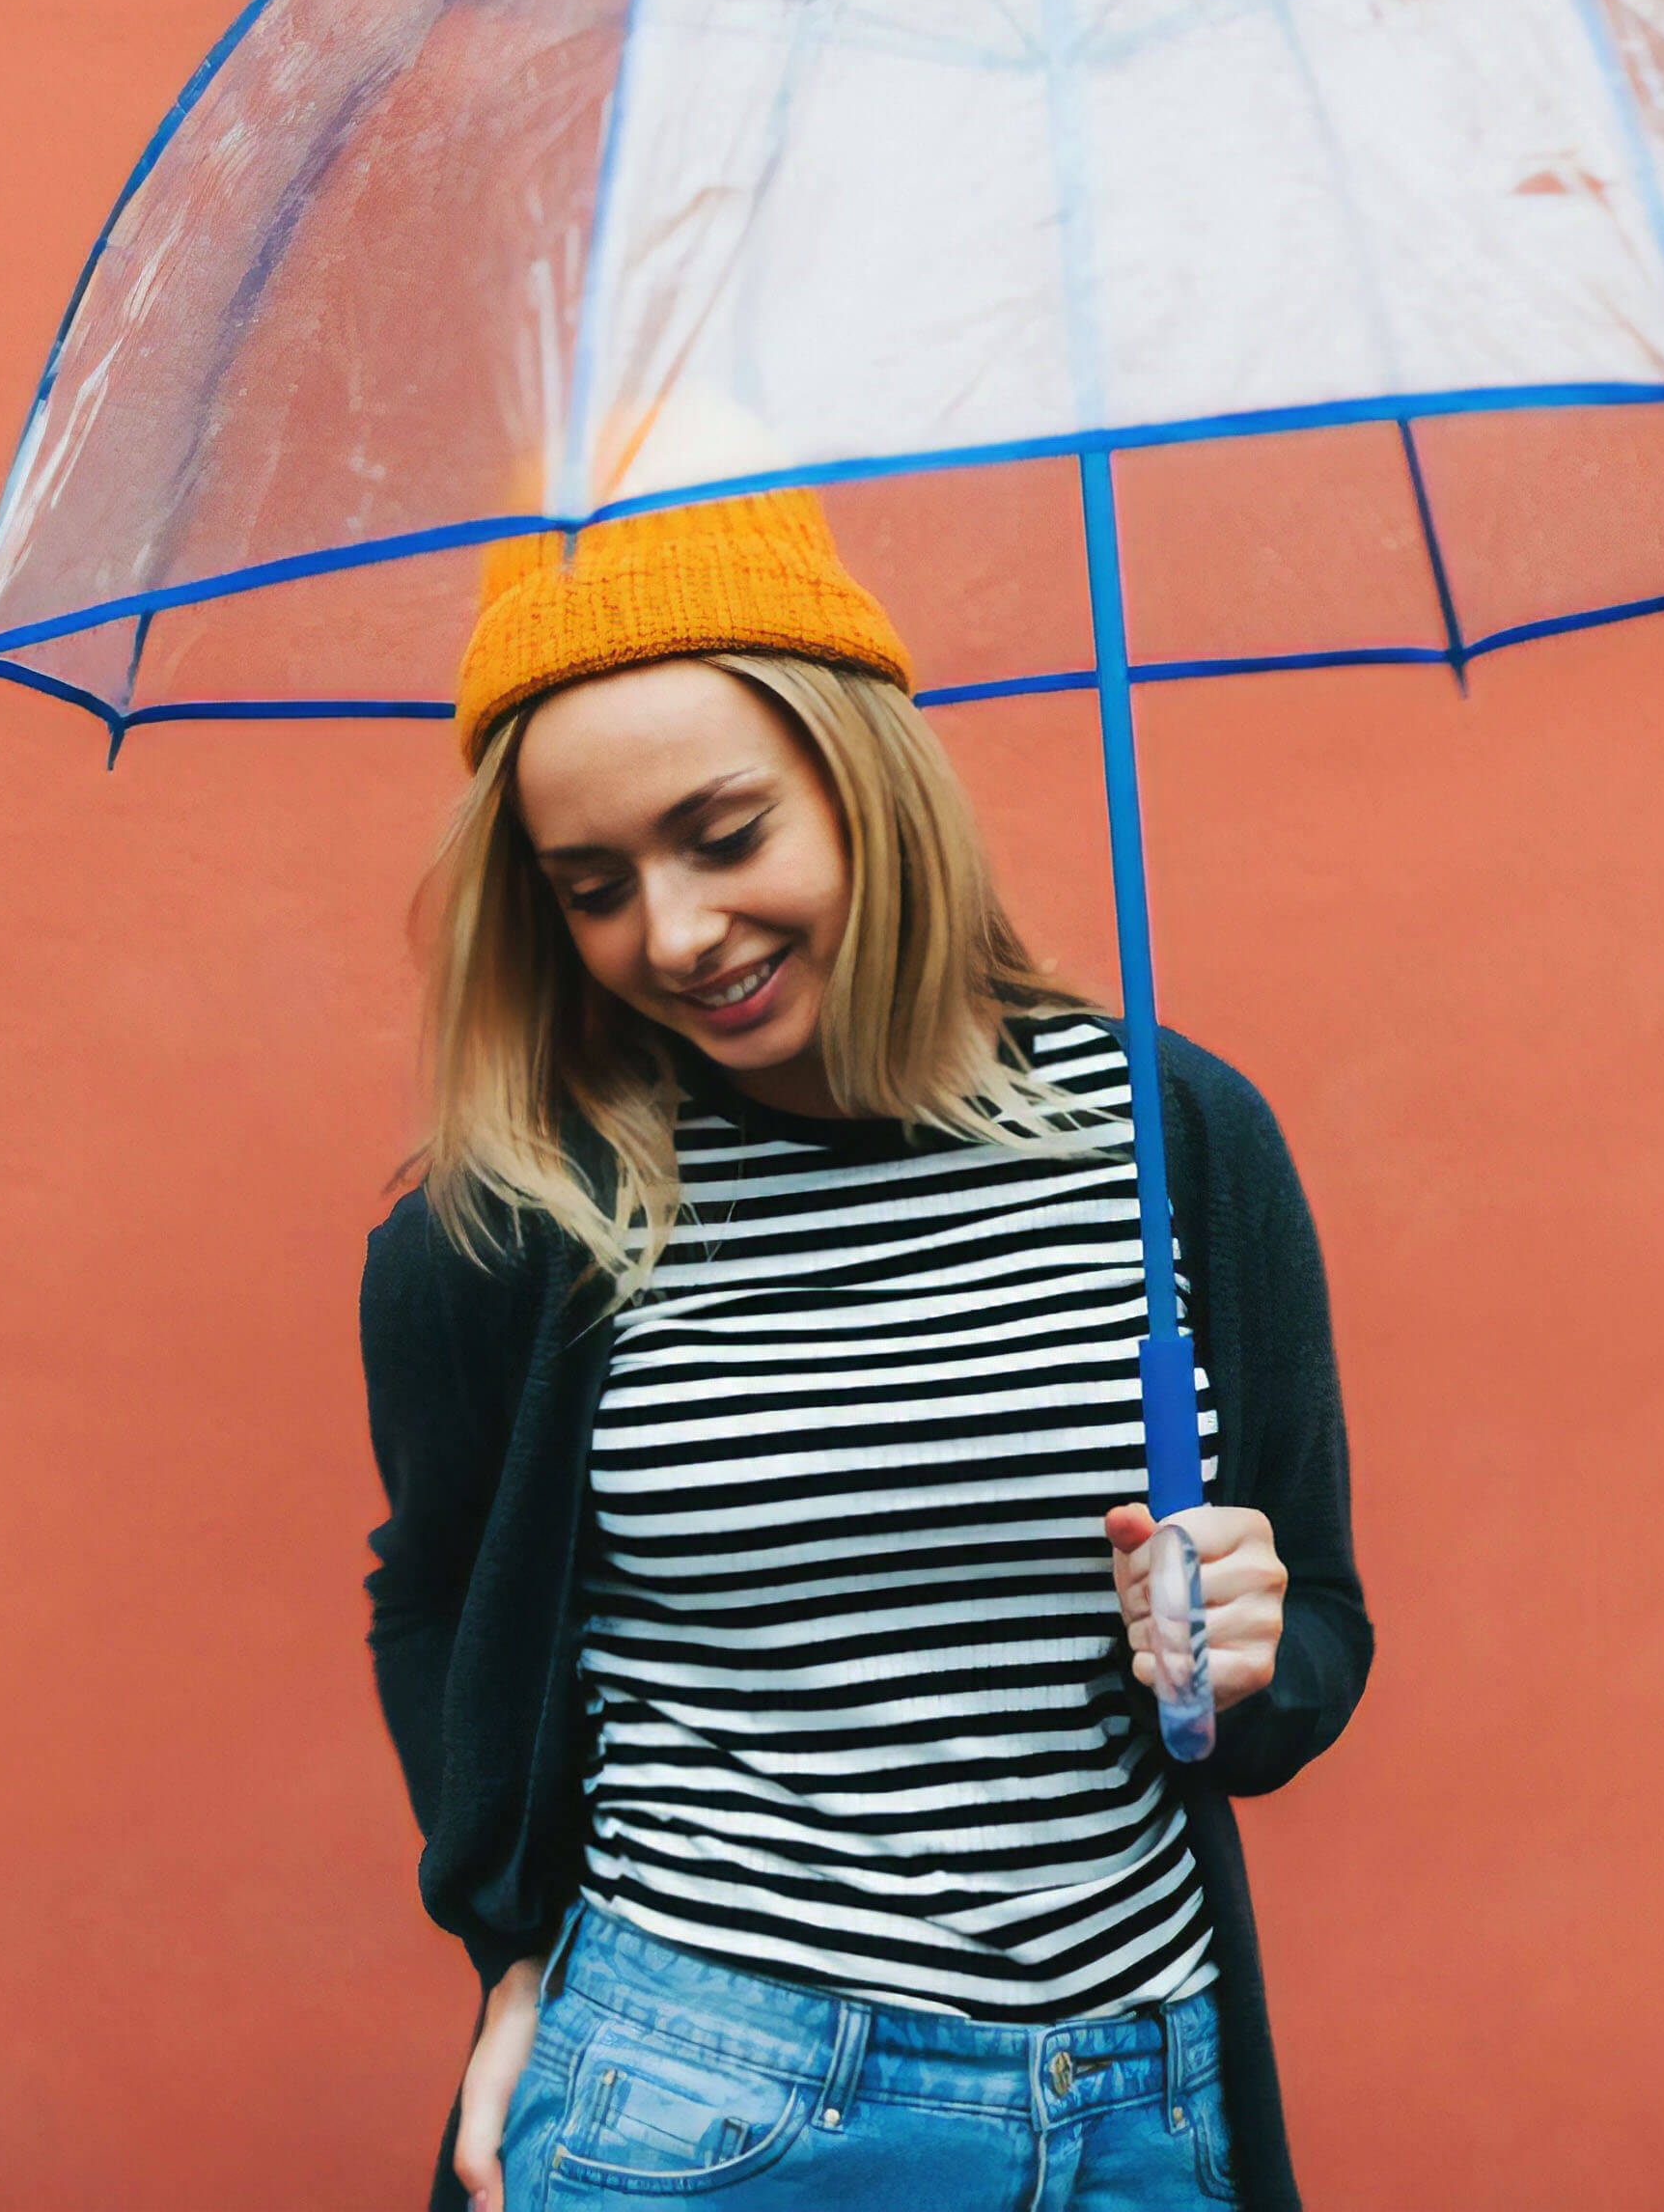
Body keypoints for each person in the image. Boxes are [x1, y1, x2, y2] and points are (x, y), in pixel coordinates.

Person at [359, 490, 1370, 2212]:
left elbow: (1312, 1647)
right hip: (708, 2097)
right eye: (594, 888)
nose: (673, 934)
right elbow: (443, 1598)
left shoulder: (1177, 1140)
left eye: (726, 834)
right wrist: (508, 1959)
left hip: (1143, 2100)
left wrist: (1250, 1650)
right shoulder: (518, 1223)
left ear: (868, 787)